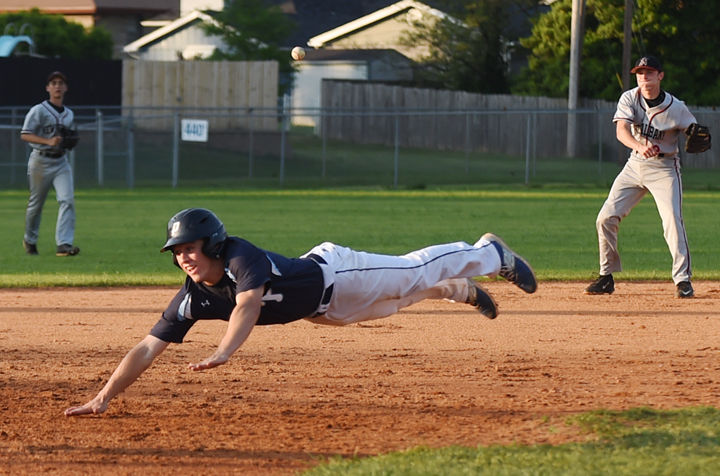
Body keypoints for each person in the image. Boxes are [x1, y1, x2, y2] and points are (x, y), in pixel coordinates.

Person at [65, 207, 537, 416]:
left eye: (188, 247)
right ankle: (457, 290)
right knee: (392, 303)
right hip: (323, 309)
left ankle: (490, 253)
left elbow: (248, 304)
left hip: (337, 273)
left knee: (410, 270)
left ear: (210, 243)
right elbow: (148, 347)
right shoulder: (194, 294)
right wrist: (103, 396)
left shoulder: (238, 256)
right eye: (176, 251)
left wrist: (225, 352)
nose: (182, 257)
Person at [585, 55, 699, 298]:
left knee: (672, 221)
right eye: (639, 73)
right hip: (635, 165)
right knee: (605, 217)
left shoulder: (677, 107)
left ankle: (682, 280)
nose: (643, 77)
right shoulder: (630, 97)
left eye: (649, 72)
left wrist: (696, 134)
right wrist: (638, 146)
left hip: (665, 169)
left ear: (660, 76)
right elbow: (621, 130)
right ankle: (606, 276)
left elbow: (694, 131)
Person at [20, 71, 80, 257]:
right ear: (48, 88)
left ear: (66, 88)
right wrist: (48, 141)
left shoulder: (69, 114)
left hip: (61, 161)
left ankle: (63, 244)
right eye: (53, 83)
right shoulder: (38, 110)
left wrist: (70, 141)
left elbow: (70, 137)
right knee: (36, 205)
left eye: (61, 83)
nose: (57, 86)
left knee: (67, 200)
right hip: (40, 160)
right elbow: (25, 134)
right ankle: (30, 240)